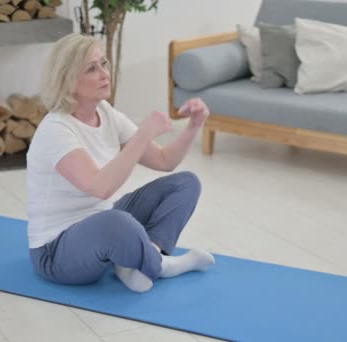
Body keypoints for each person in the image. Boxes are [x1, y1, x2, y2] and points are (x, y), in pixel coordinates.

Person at [26, 33, 215, 293]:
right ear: (68, 80)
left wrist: (194, 126)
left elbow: (164, 161)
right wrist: (144, 133)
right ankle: (161, 266)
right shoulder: (56, 129)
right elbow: (99, 187)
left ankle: (139, 261)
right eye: (92, 68)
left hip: (101, 222)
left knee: (185, 183)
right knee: (117, 221)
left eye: (104, 63)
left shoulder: (105, 112)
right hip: (56, 250)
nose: (104, 73)